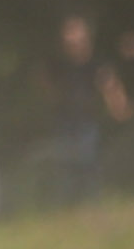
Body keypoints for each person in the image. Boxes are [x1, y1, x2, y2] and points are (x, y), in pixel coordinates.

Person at [44, 15, 119, 207]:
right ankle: (66, 207)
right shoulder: (58, 63)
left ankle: (91, 205)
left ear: (85, 38)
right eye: (68, 37)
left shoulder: (96, 62)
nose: (72, 41)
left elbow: (109, 85)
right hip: (64, 121)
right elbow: (44, 81)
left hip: (87, 121)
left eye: (75, 36)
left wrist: (117, 105)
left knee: (88, 163)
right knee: (65, 166)